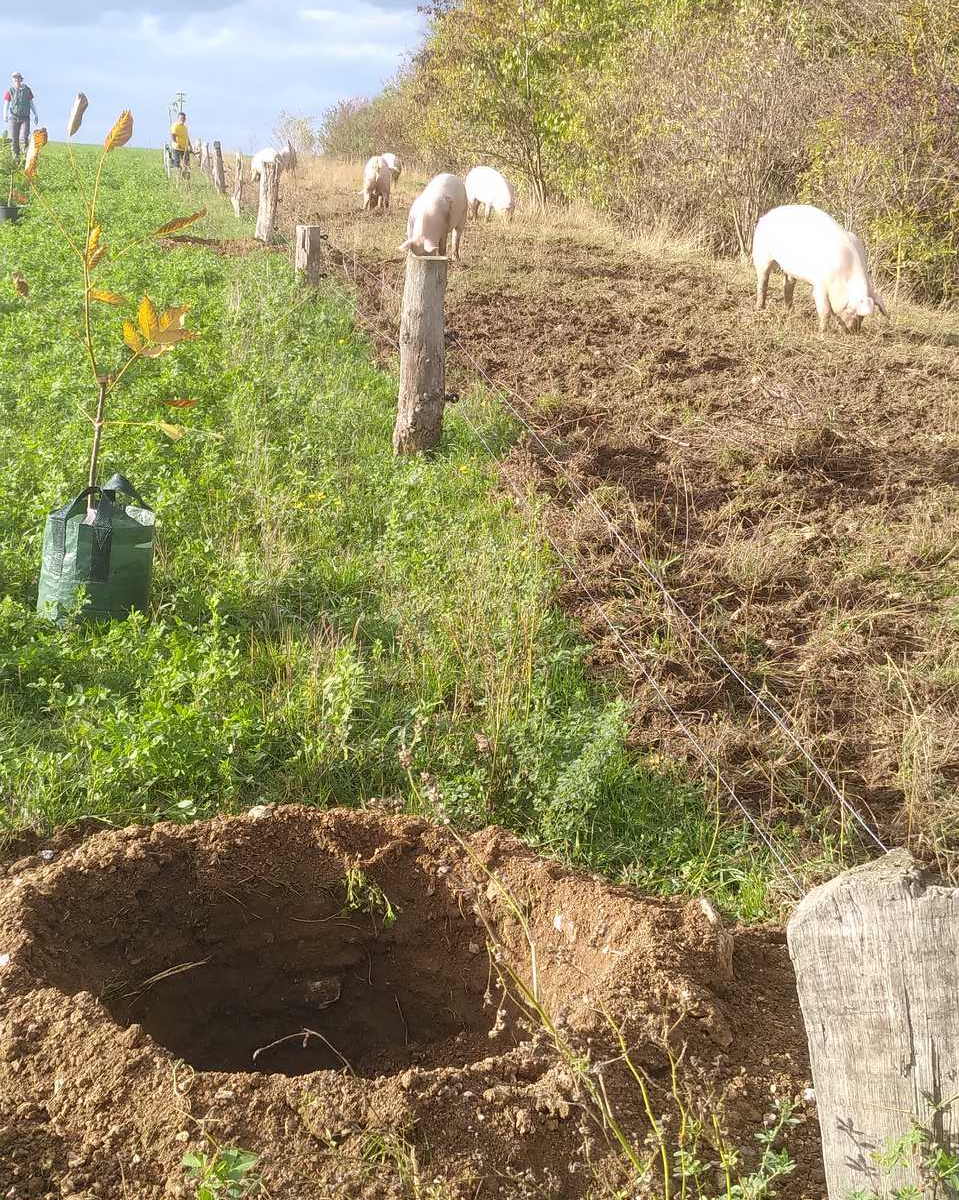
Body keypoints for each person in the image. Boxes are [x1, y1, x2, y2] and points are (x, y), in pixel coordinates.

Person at [3, 73, 38, 159]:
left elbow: (31, 103)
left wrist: (35, 114)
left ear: (21, 79)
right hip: (13, 118)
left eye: (18, 78)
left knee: (23, 139)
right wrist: (5, 115)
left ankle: (26, 160)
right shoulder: (10, 90)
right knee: (13, 140)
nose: (16, 80)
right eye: (14, 78)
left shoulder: (27, 90)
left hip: (25, 118)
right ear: (13, 80)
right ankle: (16, 160)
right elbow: (6, 104)